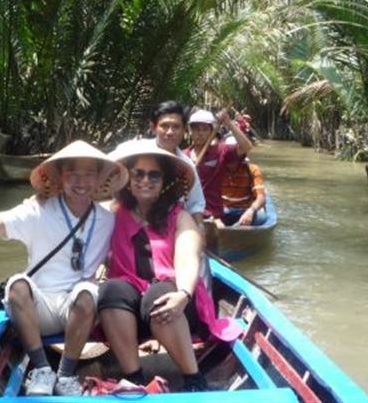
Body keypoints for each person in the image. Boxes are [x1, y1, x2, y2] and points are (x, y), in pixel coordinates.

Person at [0, 141, 128, 396]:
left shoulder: (107, 219)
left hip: (78, 312)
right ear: (60, 177)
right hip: (39, 309)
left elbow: (121, 256)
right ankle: (43, 369)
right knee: (17, 285)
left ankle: (66, 374)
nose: (81, 181)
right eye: (73, 174)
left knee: (89, 291)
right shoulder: (38, 209)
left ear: (100, 179)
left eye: (89, 173)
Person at [98, 139, 243, 392]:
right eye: (138, 174)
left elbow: (188, 257)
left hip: (177, 307)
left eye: (154, 175)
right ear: (128, 180)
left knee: (160, 293)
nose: (146, 180)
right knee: (111, 289)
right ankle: (134, 378)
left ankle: (193, 378)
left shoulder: (180, 217)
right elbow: (79, 225)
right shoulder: (111, 213)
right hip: (128, 311)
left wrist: (183, 294)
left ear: (164, 182)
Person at [184, 108, 252, 218]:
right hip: (188, 213)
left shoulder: (220, 151)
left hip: (212, 214)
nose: (200, 133)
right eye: (196, 129)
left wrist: (229, 124)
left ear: (211, 132)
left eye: (205, 129)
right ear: (190, 131)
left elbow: (246, 147)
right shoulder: (183, 155)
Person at [221, 159, 267, 226]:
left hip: (245, 209)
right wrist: (216, 218)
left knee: (260, 217)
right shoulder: (216, 169)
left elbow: (261, 198)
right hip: (223, 210)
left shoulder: (252, 169)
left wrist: (250, 211)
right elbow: (209, 196)